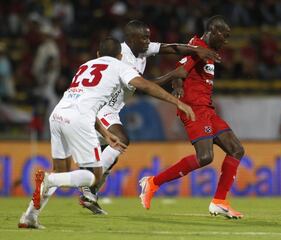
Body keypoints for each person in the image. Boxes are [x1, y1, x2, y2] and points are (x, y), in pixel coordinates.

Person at [18, 37, 195, 229]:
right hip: (79, 119)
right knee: (92, 177)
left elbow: (84, 99)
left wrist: (104, 132)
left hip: (58, 115)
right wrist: (177, 102)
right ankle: (48, 179)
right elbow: (145, 85)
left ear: (97, 54)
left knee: (62, 172)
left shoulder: (85, 66)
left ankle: (29, 216)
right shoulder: (120, 66)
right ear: (120, 55)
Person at [79, 19, 220, 214]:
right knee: (120, 141)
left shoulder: (141, 48)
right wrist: (173, 75)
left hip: (111, 109)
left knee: (111, 154)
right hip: (100, 107)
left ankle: (90, 194)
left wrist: (195, 50)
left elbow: (170, 48)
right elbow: (144, 85)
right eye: (144, 37)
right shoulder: (123, 57)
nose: (148, 41)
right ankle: (87, 185)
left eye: (148, 37)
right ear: (131, 39)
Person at [139, 15, 245, 219]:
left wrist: (178, 84)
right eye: (225, 35)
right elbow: (180, 71)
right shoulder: (197, 46)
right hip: (194, 109)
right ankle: (152, 183)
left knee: (236, 149)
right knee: (205, 157)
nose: (226, 41)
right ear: (213, 31)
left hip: (208, 109)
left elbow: (183, 73)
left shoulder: (204, 49)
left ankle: (219, 201)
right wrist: (154, 83)